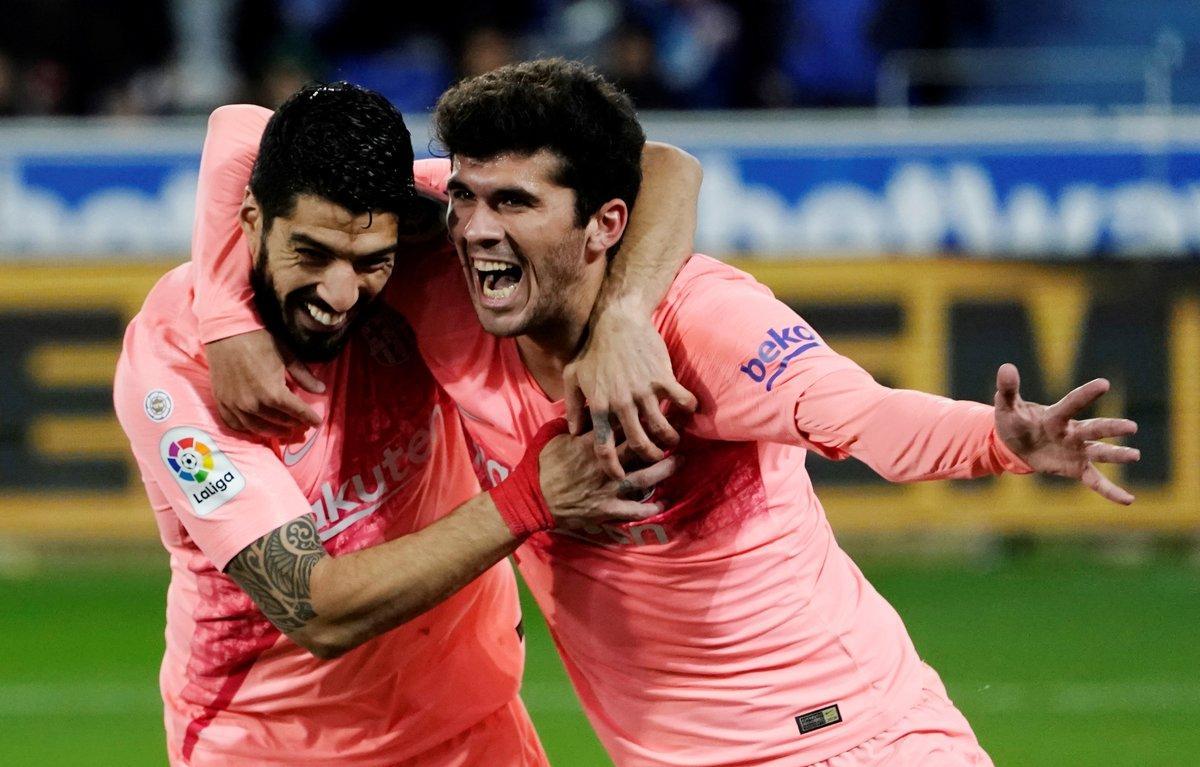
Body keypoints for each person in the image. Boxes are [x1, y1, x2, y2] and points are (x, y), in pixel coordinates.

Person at [198, 62, 1139, 766]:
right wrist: (222, 312)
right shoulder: (449, 266)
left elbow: (860, 413)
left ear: (605, 222)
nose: (479, 225)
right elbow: (247, 130)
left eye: (514, 203)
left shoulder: (707, 323)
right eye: (470, 198)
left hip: (848, 738)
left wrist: (997, 438)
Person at [113, 81, 693, 767]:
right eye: (311, 253)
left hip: (473, 729)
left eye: (370, 263)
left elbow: (668, 167)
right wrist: (530, 497)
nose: (339, 293)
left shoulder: (423, 220)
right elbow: (314, 609)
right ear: (249, 217)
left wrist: (625, 314)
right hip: (274, 749)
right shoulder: (176, 368)